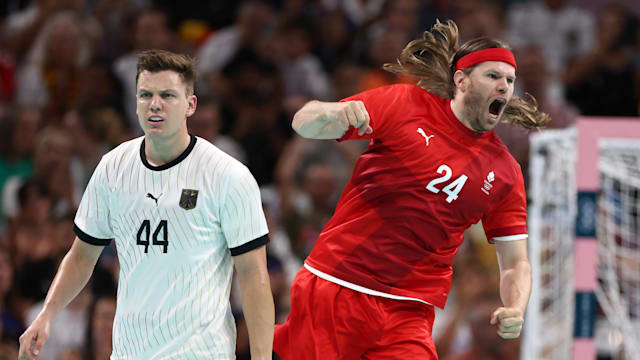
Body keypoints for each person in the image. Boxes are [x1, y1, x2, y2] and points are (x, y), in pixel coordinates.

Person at [273, 20, 550, 359]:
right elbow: (304, 122)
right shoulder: (405, 104)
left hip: (410, 310)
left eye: (509, 80)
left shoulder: (505, 172)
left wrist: (517, 305)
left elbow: (515, 261)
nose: (504, 86)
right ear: (461, 81)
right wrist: (333, 111)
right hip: (339, 285)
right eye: (493, 76)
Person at [18, 49, 275, 359]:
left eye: (167, 95)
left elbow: (253, 276)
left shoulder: (227, 175)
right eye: (145, 95)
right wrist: (46, 314)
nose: (155, 104)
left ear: (190, 105)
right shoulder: (113, 168)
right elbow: (82, 256)